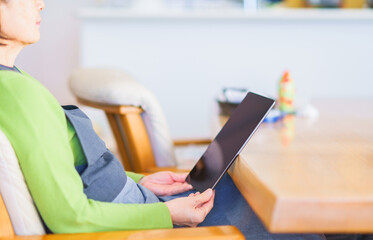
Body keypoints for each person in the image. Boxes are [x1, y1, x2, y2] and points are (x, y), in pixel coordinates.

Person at [0, 1, 365, 239]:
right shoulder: (16, 93)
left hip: (141, 203)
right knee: (306, 224)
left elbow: (71, 170)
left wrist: (145, 181)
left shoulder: (16, 81)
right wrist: (167, 214)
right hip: (145, 222)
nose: (40, 3)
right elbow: (70, 218)